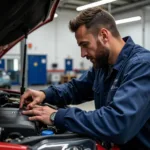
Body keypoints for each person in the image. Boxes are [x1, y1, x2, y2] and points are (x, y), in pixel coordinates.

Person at [20, 6, 150, 149]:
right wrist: (45, 94)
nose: (82, 54)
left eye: (85, 45)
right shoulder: (102, 67)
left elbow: (117, 123)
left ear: (104, 36)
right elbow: (75, 88)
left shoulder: (142, 65)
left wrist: (56, 116)